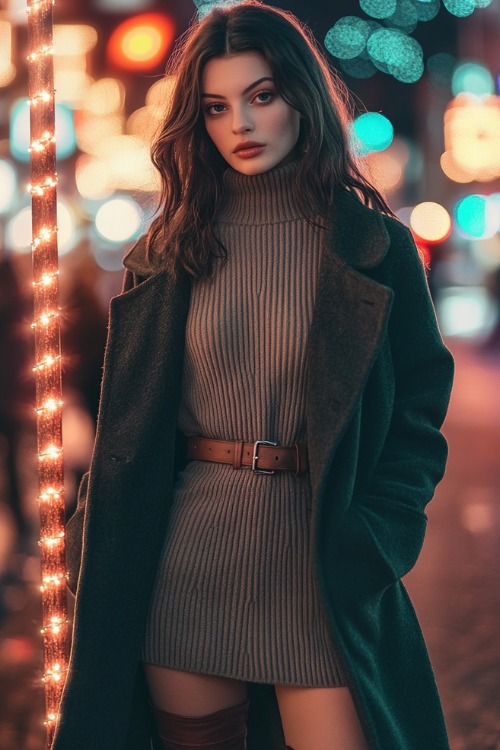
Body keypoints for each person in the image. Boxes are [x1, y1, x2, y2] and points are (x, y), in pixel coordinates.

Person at [52, 3, 454, 749]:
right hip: (185, 558)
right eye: (216, 106)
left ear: (301, 96)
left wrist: (377, 537)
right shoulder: (167, 252)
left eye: (261, 95)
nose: (240, 122)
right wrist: (89, 540)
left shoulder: (375, 246)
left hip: (322, 559)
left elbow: (418, 416)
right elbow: (128, 428)